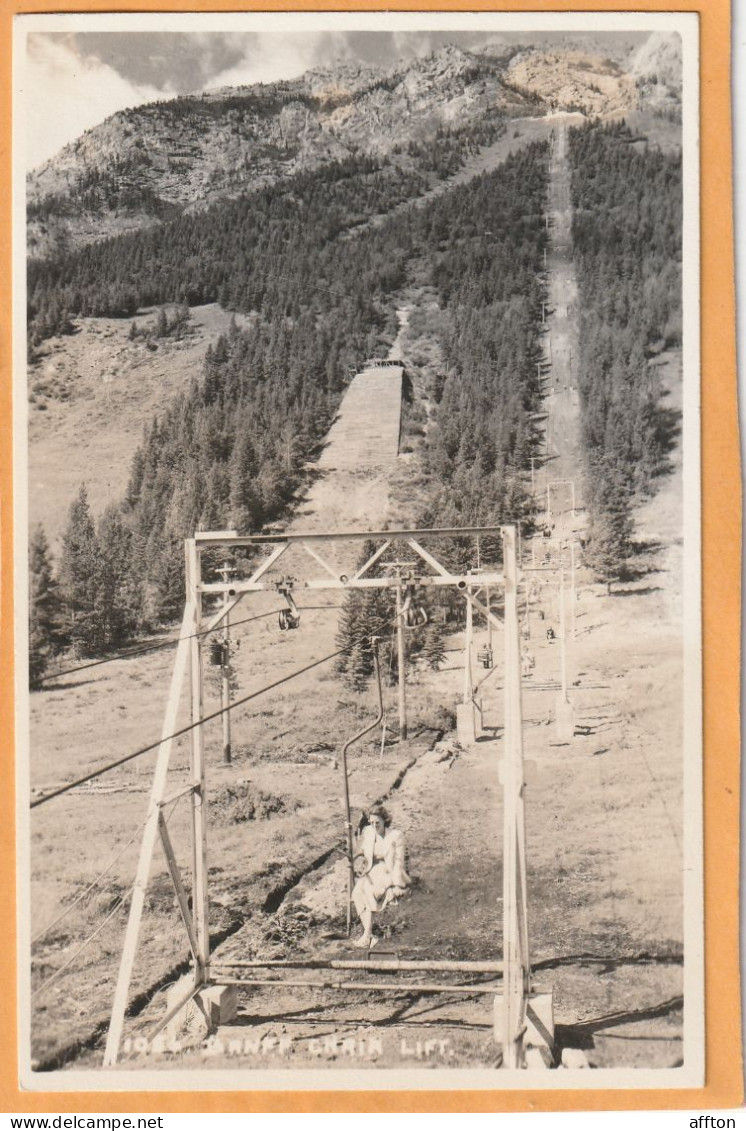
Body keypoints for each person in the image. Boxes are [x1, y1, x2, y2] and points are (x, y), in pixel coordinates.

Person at [351, 804, 410, 949]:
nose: (374, 825)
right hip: (373, 869)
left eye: (377, 822)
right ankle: (370, 934)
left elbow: (398, 862)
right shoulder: (369, 833)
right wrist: (355, 853)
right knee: (356, 894)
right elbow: (364, 850)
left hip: (388, 870)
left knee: (368, 891)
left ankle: (366, 937)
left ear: (385, 820)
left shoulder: (396, 836)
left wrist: (396, 884)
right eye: (371, 822)